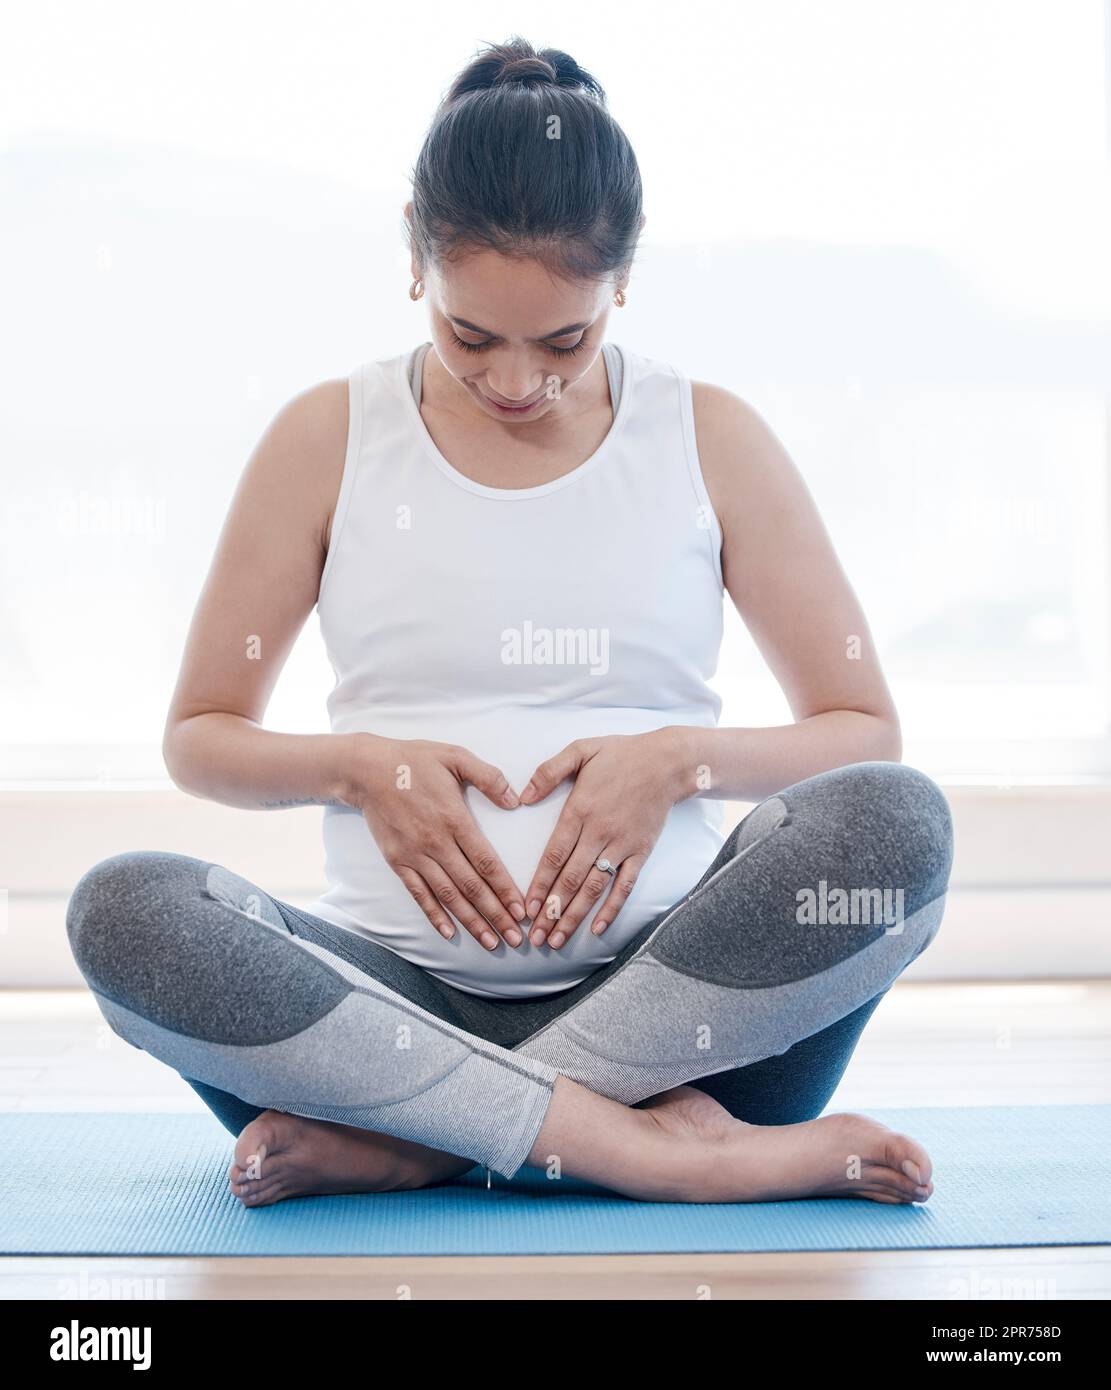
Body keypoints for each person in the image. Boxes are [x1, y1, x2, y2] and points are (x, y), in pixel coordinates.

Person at [66, 37, 953, 1208]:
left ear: (621, 282)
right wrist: (358, 770)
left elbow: (859, 726)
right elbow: (202, 732)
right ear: (414, 261)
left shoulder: (712, 436)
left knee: (894, 830)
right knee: (127, 911)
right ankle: (638, 1147)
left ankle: (437, 1142)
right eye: (471, 336)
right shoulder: (325, 437)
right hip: (380, 1018)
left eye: (565, 342)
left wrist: (679, 759)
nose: (518, 381)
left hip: (677, 1023)